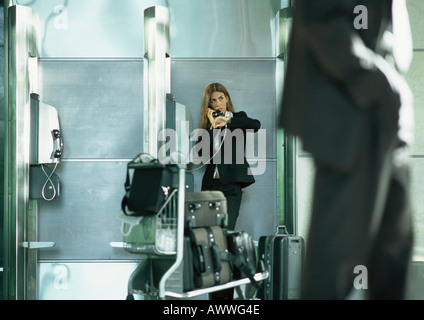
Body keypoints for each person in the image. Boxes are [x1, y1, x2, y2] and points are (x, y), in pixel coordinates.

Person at [280, 0, 414, 299]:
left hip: (384, 112)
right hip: (351, 110)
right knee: (338, 256)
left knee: (392, 249)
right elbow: (321, 18)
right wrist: (375, 81)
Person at [198, 82, 261, 300]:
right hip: (211, 188)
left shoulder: (238, 119)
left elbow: (256, 124)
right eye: (213, 101)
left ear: (227, 100)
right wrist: (210, 127)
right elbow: (201, 156)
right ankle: (215, 296)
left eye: (221, 98)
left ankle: (227, 297)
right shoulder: (207, 126)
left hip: (231, 189)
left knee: (224, 237)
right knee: (210, 241)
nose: (217, 103)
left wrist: (229, 120)